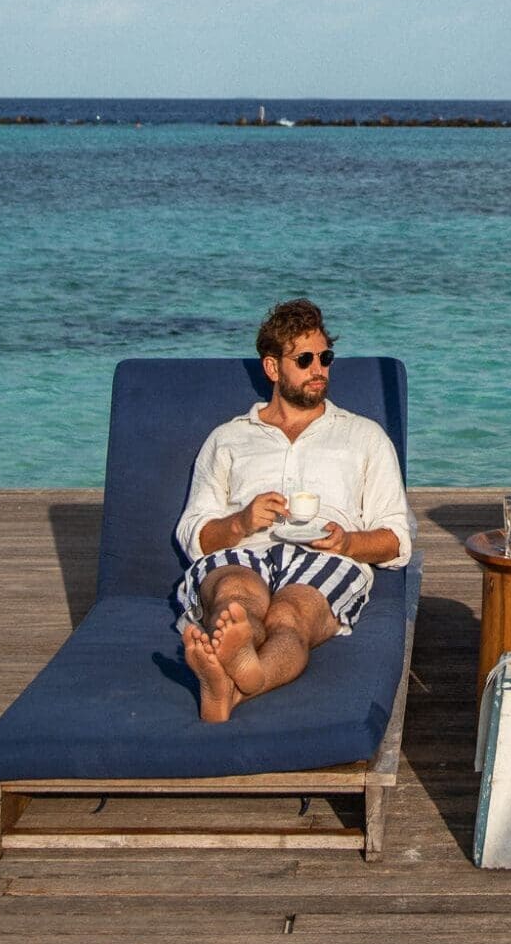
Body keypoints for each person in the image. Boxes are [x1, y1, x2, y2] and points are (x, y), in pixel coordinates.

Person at [174, 298, 413, 722]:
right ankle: (238, 666)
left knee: (291, 614)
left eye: (325, 357)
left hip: (326, 556)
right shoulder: (228, 438)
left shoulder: (364, 436)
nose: (318, 368)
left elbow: (396, 539)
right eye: (304, 359)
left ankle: (233, 683)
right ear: (272, 368)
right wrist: (240, 522)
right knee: (235, 597)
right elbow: (194, 535)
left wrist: (349, 541)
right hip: (242, 552)